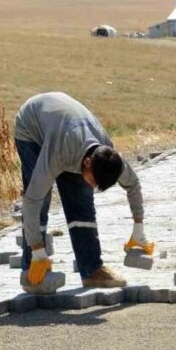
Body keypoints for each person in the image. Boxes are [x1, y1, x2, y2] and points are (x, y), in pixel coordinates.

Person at [14, 92, 152, 293]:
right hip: (32, 129)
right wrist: (37, 250)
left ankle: (92, 270)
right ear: (87, 163)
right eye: (94, 181)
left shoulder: (107, 154)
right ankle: (32, 270)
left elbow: (133, 185)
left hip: (66, 127)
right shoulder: (59, 153)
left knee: (82, 202)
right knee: (41, 199)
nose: (94, 186)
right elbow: (31, 201)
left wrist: (138, 228)